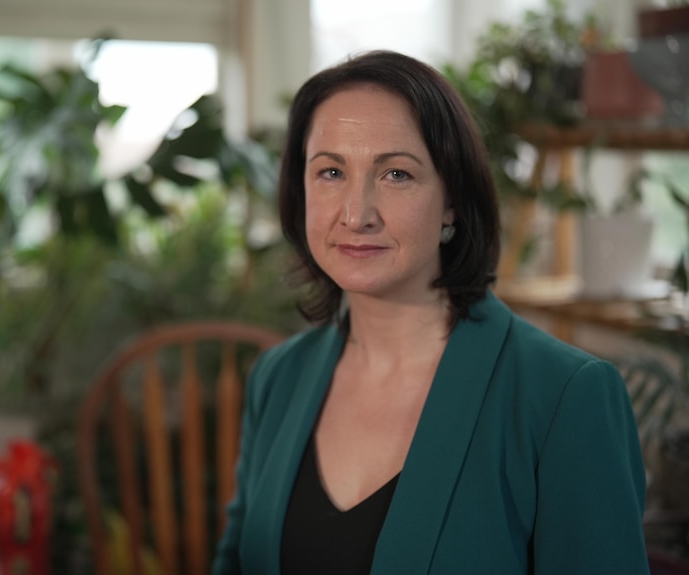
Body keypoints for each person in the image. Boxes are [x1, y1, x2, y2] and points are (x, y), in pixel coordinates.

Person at [211, 50, 649, 575]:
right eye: (330, 171)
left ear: (452, 202)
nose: (356, 215)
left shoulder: (563, 396)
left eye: (396, 174)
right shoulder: (277, 377)